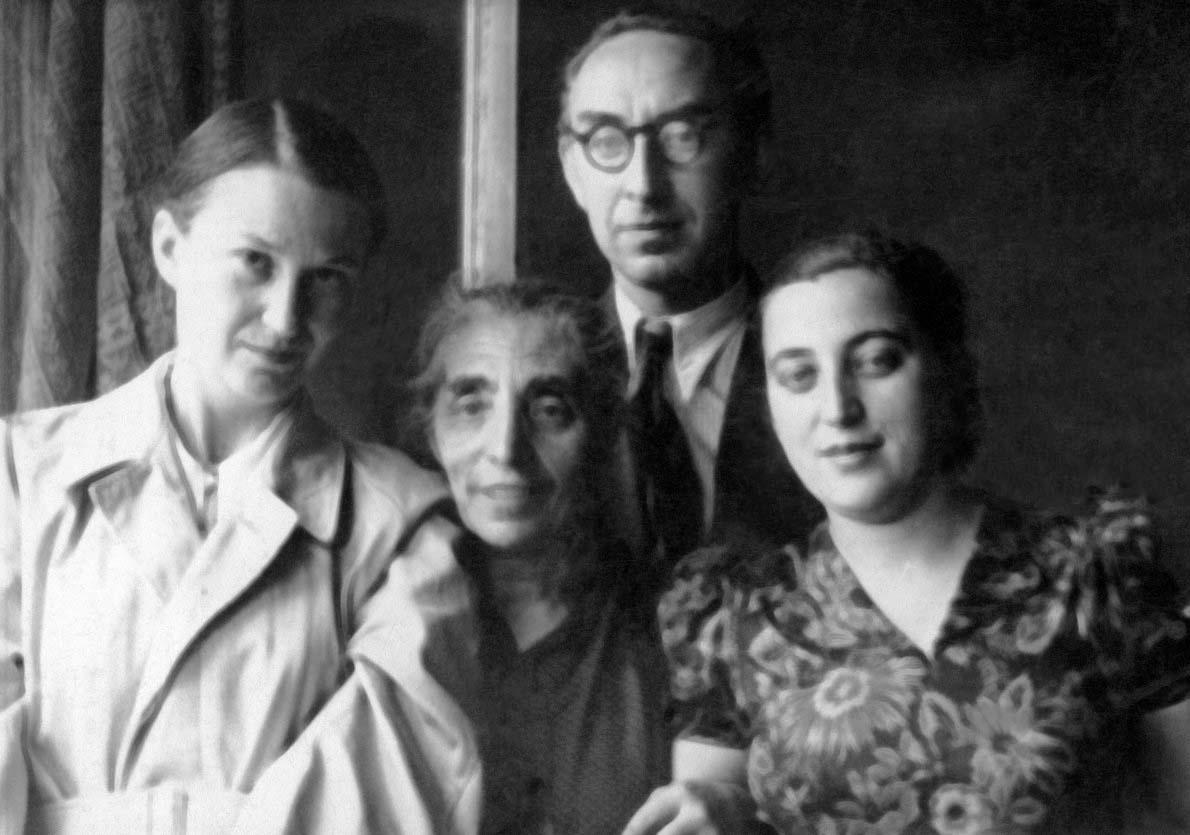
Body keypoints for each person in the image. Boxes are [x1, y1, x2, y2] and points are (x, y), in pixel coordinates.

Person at [0, 98, 480, 834]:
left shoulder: (400, 527)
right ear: (170, 247)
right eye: (256, 262)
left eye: (326, 278)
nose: (286, 317)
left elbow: (393, 791)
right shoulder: (22, 475)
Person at [628, 231, 1190, 834]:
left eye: (876, 362)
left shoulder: (1098, 574)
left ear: (947, 368)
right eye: (798, 375)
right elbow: (702, 819)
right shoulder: (731, 614)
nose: (838, 408)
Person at [556, 7, 819, 568]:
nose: (643, 185)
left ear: (754, 153)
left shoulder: (828, 371)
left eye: (683, 136)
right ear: (573, 171)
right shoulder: (543, 376)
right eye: (606, 140)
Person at [411, 279, 671, 835]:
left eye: (550, 410)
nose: (506, 449)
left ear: (601, 434)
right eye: (471, 406)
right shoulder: (391, 623)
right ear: (431, 431)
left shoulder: (671, 628)